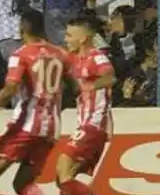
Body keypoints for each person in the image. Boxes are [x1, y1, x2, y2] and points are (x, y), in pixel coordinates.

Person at [0, 9, 71, 195]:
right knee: (22, 185)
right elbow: (74, 88)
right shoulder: (60, 54)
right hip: (51, 128)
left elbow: (10, 89)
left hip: (26, 126)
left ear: (21, 30)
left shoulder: (21, 54)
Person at [58, 17, 116, 195]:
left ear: (83, 38)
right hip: (87, 124)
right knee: (65, 184)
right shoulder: (75, 59)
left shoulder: (96, 57)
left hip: (95, 125)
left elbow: (110, 78)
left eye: (69, 35)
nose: (65, 39)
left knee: (63, 169)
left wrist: (88, 86)